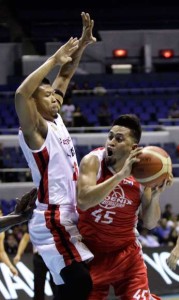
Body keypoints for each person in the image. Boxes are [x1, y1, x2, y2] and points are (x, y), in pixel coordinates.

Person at [14, 12, 96, 300]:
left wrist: (83, 45)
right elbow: (20, 96)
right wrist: (52, 60)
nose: (55, 97)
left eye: (55, 95)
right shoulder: (34, 130)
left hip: (69, 213)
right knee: (80, 283)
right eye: (48, 95)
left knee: (71, 286)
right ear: (36, 104)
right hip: (52, 218)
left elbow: (65, 74)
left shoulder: (56, 118)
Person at [76, 114, 173, 300]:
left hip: (126, 254)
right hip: (90, 253)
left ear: (133, 148)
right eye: (110, 136)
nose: (111, 142)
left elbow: (150, 223)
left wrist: (156, 196)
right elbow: (83, 201)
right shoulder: (92, 161)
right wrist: (120, 176)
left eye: (119, 139)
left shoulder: (143, 175)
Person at [14, 231, 57, 300]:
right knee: (38, 286)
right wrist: (18, 254)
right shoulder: (32, 220)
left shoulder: (53, 220)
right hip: (39, 257)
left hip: (54, 256)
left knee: (57, 285)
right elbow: (25, 238)